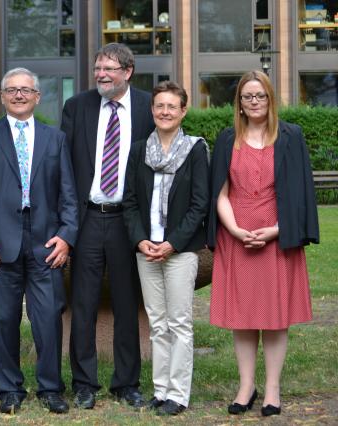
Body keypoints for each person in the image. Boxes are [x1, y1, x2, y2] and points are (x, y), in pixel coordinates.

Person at [0, 68, 78, 415]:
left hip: (46, 241)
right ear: (2, 96)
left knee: (48, 318)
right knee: (2, 319)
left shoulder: (55, 138)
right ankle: (10, 389)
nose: (18, 95)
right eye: (12, 90)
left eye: (25, 90)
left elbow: (69, 195)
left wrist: (66, 237)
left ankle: (50, 388)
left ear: (37, 97)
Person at [208, 70, 319, 417]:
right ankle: (246, 386)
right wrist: (235, 230)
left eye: (260, 96)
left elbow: (300, 192)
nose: (254, 102)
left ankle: (272, 388)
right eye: (247, 97)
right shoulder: (227, 139)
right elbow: (220, 193)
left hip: (277, 237)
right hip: (236, 236)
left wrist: (276, 230)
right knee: (242, 316)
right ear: (239, 103)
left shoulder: (290, 136)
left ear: (270, 99)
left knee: (274, 315)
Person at [61, 42, 155, 409]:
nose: (101, 74)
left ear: (128, 72)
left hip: (127, 220)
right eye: (98, 68)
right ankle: (84, 383)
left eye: (109, 69)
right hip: (87, 218)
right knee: (82, 303)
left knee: (127, 303)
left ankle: (127, 383)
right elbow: (64, 168)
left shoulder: (148, 107)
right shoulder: (77, 107)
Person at [123, 81, 209, 416]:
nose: (165, 111)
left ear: (183, 111)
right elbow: (130, 202)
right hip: (146, 250)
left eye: (172, 106)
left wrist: (173, 243)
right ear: (152, 110)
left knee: (179, 323)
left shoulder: (195, 149)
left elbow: (200, 205)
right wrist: (140, 240)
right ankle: (160, 391)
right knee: (157, 323)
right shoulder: (139, 150)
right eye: (159, 105)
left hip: (180, 250)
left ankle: (178, 393)